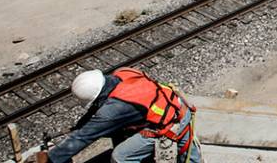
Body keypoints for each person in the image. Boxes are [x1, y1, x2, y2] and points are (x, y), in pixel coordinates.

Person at [44, 68, 200, 163]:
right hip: (177, 107)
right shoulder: (122, 73)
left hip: (170, 124)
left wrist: (51, 159)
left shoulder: (114, 110)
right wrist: (81, 125)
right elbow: (95, 114)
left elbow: (83, 137)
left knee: (121, 157)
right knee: (189, 156)